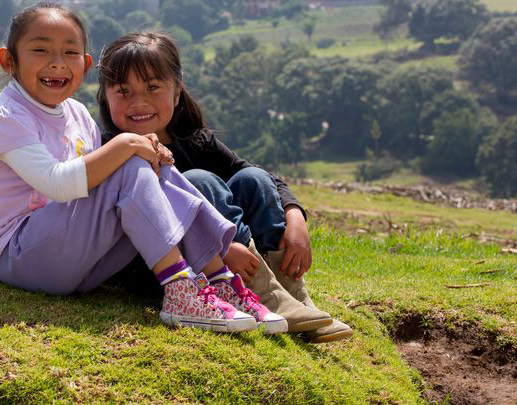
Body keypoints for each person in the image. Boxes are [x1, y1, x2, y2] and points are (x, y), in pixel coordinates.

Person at [0, 2, 287, 334]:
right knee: (132, 158)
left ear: (85, 64)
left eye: (70, 52)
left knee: (149, 167)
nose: (57, 63)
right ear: (9, 61)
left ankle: (219, 281)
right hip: (16, 257)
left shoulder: (76, 114)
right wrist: (127, 144)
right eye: (40, 50)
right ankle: (179, 289)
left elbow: (103, 189)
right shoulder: (5, 117)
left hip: (73, 259)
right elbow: (57, 185)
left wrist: (138, 153)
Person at [97, 31, 353, 343]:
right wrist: (217, 247)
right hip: (163, 271)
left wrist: (295, 214)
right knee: (200, 183)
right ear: (105, 96)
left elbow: (256, 175)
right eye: (123, 91)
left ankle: (293, 297)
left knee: (253, 180)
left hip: (231, 259)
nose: (139, 102)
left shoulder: (195, 142)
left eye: (152, 87)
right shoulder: (111, 152)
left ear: (176, 92)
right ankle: (266, 298)